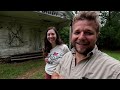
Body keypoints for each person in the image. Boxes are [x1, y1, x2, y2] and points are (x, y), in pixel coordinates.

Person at [52, 11, 120, 79]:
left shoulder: (114, 70)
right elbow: (56, 73)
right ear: (72, 34)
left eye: (88, 33)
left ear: (97, 36)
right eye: (77, 32)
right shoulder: (66, 57)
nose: (81, 37)